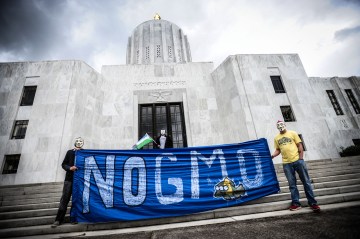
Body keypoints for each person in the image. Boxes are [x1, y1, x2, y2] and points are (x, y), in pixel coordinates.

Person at [271, 121, 320, 212]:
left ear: (285, 125)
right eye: (278, 126)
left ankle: (313, 203)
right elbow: (278, 150)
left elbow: (299, 145)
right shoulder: (276, 138)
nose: (280, 126)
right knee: (292, 185)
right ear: (277, 127)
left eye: (282, 125)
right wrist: (273, 156)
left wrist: (301, 159)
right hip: (286, 164)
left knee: (306, 181)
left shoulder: (292, 133)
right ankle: (296, 203)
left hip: (298, 161)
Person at [51, 137, 84, 228]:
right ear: (75, 142)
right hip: (69, 180)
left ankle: (74, 218)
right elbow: (63, 164)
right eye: (77, 141)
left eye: (81, 141)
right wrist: (70, 168)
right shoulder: (69, 152)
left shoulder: (85, 152)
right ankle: (58, 220)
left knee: (76, 200)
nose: (79, 142)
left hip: (80, 181)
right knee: (64, 199)